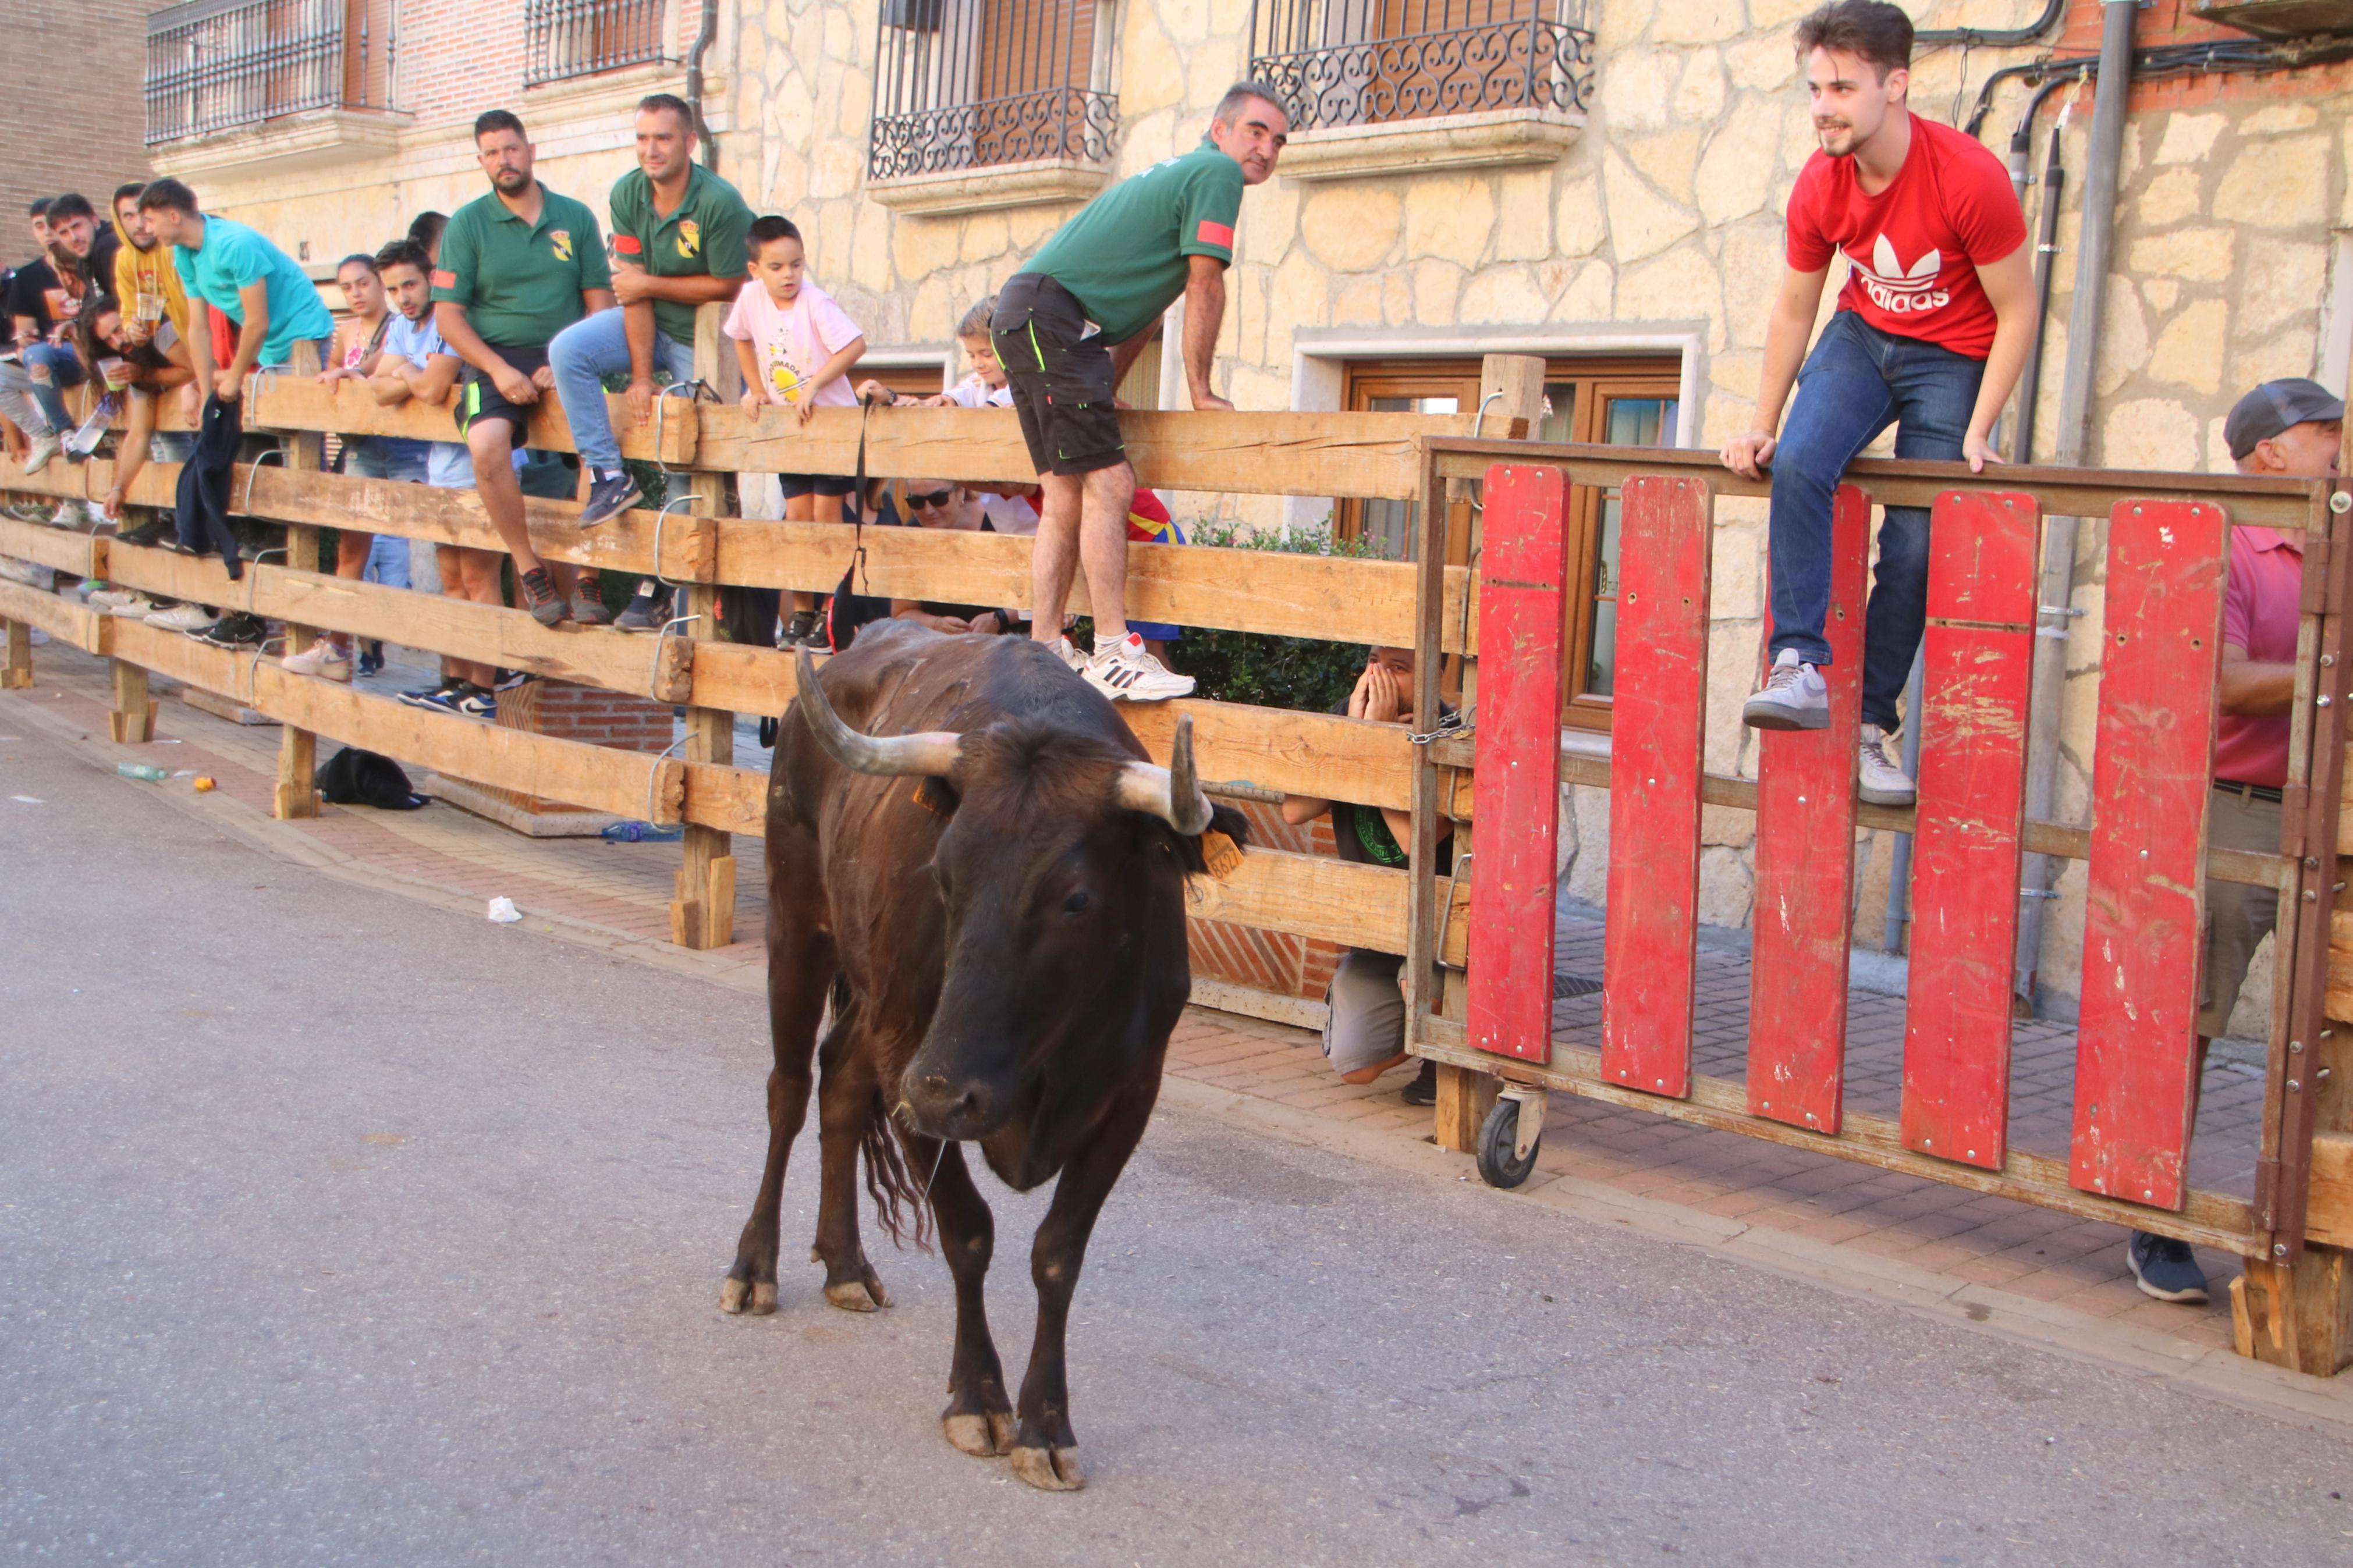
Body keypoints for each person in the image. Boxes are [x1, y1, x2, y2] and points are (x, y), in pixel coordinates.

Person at [1720, 0, 2032, 810]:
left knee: (1916, 545)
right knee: (1796, 461)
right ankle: (1796, 665)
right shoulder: (1820, 183)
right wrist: (1761, 420)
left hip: (1953, 355)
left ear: (1895, 85)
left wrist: (1977, 425)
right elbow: (1795, 309)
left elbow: (2018, 310)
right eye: (1814, 87)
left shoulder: (1967, 177)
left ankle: (1868, 726)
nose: (1822, 105)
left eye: (1842, 88)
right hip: (1860, 338)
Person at [2123, 379, 2344, 1308]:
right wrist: (2329, 667)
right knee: (2192, 1021)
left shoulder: (2336, 541)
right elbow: (2215, 680)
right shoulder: (2225, 543)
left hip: (2331, 809)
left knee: (2330, 1020)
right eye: (2323, 433)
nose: (2339, 447)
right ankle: (2152, 1216)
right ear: (2268, 453)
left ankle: (2316, 1226)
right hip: (2236, 806)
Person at [991, 83, 1284, 701]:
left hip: (1032, 314)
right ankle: (1114, 649)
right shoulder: (1216, 174)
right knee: (1114, 483)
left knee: (1065, 487)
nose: (1266, 148)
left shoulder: (1182, 183)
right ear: (1219, 130)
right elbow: (1207, 285)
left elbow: (1150, 311)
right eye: (1255, 131)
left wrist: (1109, 388)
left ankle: (1046, 646)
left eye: (1277, 141)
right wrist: (1202, 390)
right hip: (1055, 318)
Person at [431, 109, 615, 627]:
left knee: (596, 448)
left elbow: (600, 303)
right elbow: (448, 316)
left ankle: (587, 573)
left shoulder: (574, 217)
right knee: (487, 447)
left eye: (510, 149)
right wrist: (497, 369)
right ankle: (529, 566)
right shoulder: (468, 224)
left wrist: (570, 358)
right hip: (494, 356)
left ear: (530, 151)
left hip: (568, 350)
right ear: (481, 162)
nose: (502, 161)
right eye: (490, 153)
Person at [548, 93, 752, 535]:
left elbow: (733, 285)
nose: (651, 150)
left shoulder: (720, 203)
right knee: (568, 350)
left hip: (706, 339)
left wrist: (650, 285)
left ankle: (674, 587)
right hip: (647, 323)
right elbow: (630, 287)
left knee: (688, 458)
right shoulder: (627, 192)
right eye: (642, 138)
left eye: (663, 138)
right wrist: (641, 377)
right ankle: (609, 476)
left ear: (690, 142)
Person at [1281, 646, 1454, 1105]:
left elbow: (1412, 841)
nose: (1376, 677)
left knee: (1415, 985)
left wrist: (1377, 747)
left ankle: (1447, 1063)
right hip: (1375, 934)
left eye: (1397, 668)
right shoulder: (1350, 715)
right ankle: (1426, 1036)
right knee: (1355, 1068)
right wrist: (1358, 736)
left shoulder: (1453, 731)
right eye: (1373, 661)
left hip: (1440, 939)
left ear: (1436, 674)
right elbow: (1295, 809)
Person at [368, 239, 508, 714]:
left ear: (430, 278)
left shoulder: (451, 319)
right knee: (450, 576)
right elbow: (378, 389)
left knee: (479, 575)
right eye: (393, 289)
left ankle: (484, 688)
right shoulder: (406, 328)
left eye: (410, 283)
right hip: (440, 468)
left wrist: (408, 375)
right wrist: (411, 371)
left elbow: (429, 391)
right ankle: (454, 680)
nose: (404, 296)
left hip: (480, 465)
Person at [720, 214, 865, 647]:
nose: (789, 275)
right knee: (797, 519)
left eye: (797, 265)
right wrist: (756, 389)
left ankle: (829, 613)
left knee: (826, 517)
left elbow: (855, 345)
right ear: (755, 270)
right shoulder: (749, 300)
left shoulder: (815, 303)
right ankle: (803, 611)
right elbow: (740, 338)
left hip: (829, 425)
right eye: (777, 267)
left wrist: (817, 384)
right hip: (793, 431)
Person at [286, 251, 423, 680]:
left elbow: (382, 365)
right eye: (347, 287)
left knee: (435, 540)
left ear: (380, 284)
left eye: (363, 283)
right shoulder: (344, 332)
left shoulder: (399, 324)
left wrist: (359, 377)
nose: (356, 293)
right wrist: (345, 379)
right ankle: (337, 647)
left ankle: (455, 661)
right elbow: (333, 378)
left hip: (405, 442)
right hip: (361, 446)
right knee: (351, 546)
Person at [136, 178, 335, 407]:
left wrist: (235, 377)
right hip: (269, 348)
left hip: (304, 335)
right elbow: (199, 329)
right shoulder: (183, 254)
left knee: (305, 418)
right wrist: (206, 395)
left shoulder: (234, 244)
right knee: (284, 430)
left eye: (150, 221)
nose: (148, 230)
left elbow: (257, 322)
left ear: (174, 216)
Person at [1, 192, 101, 472]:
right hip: (48, 360)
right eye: (38, 226)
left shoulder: (92, 261)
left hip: (94, 351)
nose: (47, 233)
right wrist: (24, 343)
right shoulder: (29, 277)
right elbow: (24, 333)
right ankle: (48, 436)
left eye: (50, 225)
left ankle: (64, 432)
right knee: (22, 362)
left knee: (39, 356)